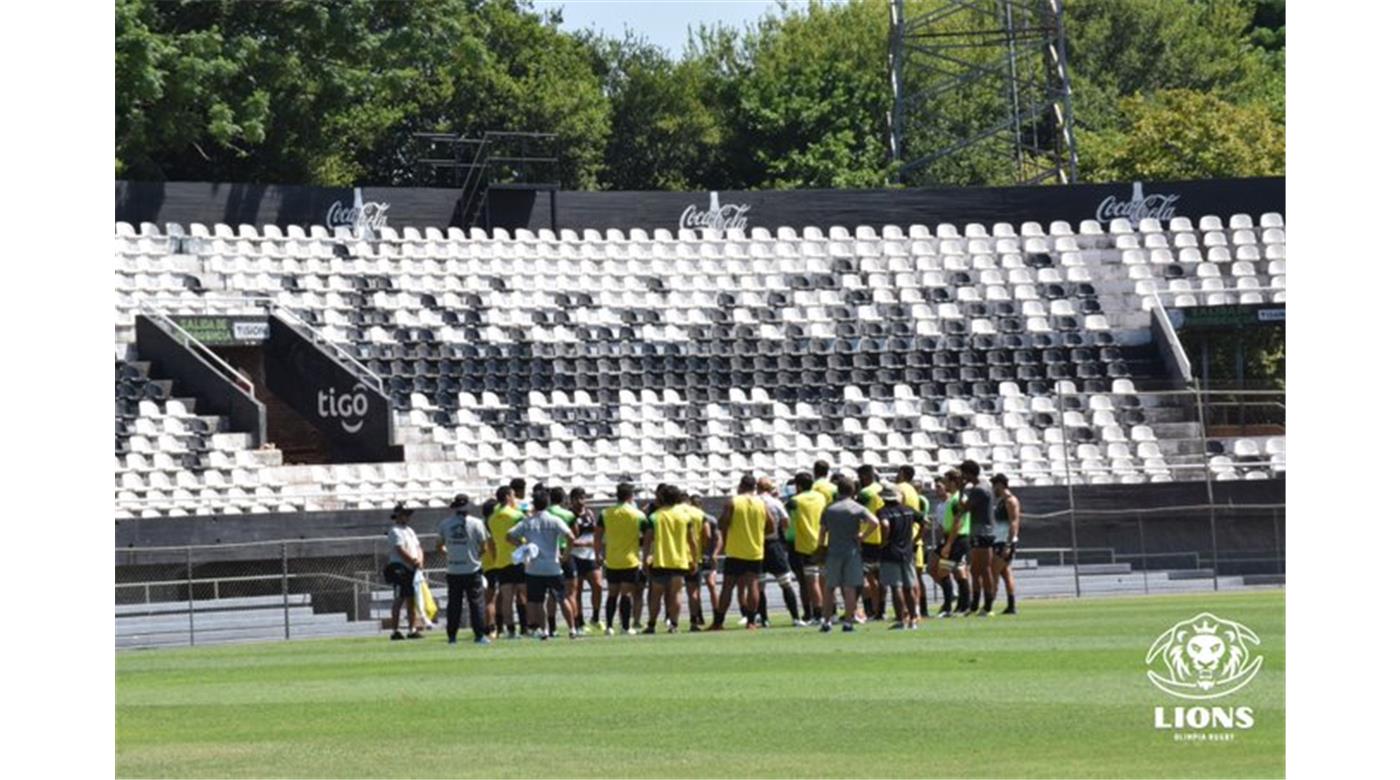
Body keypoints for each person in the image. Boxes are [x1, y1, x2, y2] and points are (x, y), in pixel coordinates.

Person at [507, 485, 579, 640]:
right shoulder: (554, 520)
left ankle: (544, 630)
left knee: (538, 602)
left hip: (534, 568)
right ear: (547, 503)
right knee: (562, 598)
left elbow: (509, 536)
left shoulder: (527, 522)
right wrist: (566, 555)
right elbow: (571, 537)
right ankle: (572, 629)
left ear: (534, 504)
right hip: (553, 566)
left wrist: (523, 546)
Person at [708, 474, 772, 630]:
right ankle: (751, 622)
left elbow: (722, 524)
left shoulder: (733, 502)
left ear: (741, 485)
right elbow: (771, 526)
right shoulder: (761, 503)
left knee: (728, 587)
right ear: (754, 487)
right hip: (755, 550)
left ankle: (718, 622)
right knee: (753, 586)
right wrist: (757, 532)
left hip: (736, 550)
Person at [818, 476, 880, 632]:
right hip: (852, 551)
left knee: (829, 587)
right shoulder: (857, 508)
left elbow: (822, 532)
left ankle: (826, 621)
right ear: (853, 491)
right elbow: (875, 522)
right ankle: (848, 622)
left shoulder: (829, 508)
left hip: (833, 550)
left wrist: (820, 548)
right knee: (850, 587)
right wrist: (863, 536)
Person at [641, 485, 700, 634]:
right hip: (679, 560)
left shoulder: (654, 517)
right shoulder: (685, 517)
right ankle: (674, 624)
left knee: (656, 594)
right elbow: (692, 541)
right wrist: (694, 559)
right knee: (676, 593)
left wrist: (644, 561)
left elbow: (647, 541)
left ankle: (651, 624)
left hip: (660, 559)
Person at [436, 494, 494, 645]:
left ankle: (452, 636)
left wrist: (450, 553)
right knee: (476, 603)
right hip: (472, 568)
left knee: (454, 604)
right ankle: (480, 635)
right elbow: (484, 546)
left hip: (454, 569)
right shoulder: (476, 523)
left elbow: (439, 546)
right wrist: (475, 555)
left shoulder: (445, 524)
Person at [597, 482, 646, 635]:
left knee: (612, 594)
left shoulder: (605, 513)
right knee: (626, 594)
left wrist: (598, 553)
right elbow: (648, 536)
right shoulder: (638, 515)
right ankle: (625, 627)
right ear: (631, 496)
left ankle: (609, 627)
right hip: (630, 560)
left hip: (612, 560)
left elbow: (597, 535)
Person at [756, 477, 802, 627]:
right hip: (774, 544)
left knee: (760, 585)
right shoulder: (775, 503)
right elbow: (786, 521)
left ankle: (764, 619)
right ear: (770, 489)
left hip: (758, 545)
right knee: (785, 583)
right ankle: (795, 617)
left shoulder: (754, 502)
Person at [876, 485, 921, 630]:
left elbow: (885, 524)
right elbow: (925, 522)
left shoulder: (883, 511)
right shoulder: (908, 509)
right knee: (909, 587)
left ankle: (901, 619)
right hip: (907, 552)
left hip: (890, 552)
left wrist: (884, 541)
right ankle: (913, 619)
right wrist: (915, 540)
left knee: (896, 587)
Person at [484, 485, 526, 639]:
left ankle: (510, 630)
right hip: (518, 558)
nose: (514, 498)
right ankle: (529, 626)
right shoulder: (516, 515)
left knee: (506, 599)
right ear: (508, 496)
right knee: (525, 594)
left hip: (501, 561)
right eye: (513, 495)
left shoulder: (492, 519)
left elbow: (492, 542)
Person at [786, 472, 827, 627]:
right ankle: (827, 611)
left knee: (812, 582)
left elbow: (786, 518)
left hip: (805, 544)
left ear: (798, 486)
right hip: (822, 541)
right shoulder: (820, 497)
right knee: (823, 580)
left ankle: (817, 614)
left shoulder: (794, 501)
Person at [959, 460, 997, 617]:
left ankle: (987, 606)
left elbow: (964, 508)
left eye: (963, 473)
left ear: (968, 473)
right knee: (975, 570)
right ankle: (975, 605)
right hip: (981, 531)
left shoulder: (978, 490)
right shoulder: (985, 486)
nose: (962, 476)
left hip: (983, 532)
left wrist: (961, 490)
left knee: (984, 569)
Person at [933, 472, 973, 617]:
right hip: (956, 539)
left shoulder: (957, 499)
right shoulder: (955, 499)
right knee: (957, 571)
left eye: (946, 481)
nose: (945, 484)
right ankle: (964, 606)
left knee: (944, 571)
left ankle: (949, 608)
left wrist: (948, 544)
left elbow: (958, 523)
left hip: (957, 539)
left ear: (952, 482)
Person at [383, 502, 425, 640]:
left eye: (408, 514)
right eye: (405, 514)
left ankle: (412, 629)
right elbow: (400, 550)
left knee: (411, 599)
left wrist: (419, 559)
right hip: (400, 568)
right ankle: (395, 630)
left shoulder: (409, 530)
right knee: (399, 598)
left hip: (412, 568)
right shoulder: (395, 530)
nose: (407, 517)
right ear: (398, 515)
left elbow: (418, 547)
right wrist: (413, 561)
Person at [893, 465, 929, 619]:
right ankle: (918, 610)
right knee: (915, 576)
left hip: (904, 538)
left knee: (903, 579)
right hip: (914, 536)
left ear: (901, 473)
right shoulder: (914, 491)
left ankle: (908, 612)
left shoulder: (899, 488)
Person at [683, 494, 722, 632]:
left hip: (702, 557)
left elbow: (716, 537)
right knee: (707, 587)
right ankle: (708, 617)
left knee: (697, 589)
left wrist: (712, 553)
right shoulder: (704, 517)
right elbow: (715, 537)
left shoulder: (708, 519)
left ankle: (709, 617)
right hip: (705, 556)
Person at [567, 488, 604, 631]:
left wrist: (597, 549)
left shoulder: (589, 513)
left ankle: (595, 617)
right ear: (572, 500)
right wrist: (581, 543)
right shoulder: (569, 515)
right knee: (577, 590)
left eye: (583, 497)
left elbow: (596, 533)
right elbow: (568, 538)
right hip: (575, 555)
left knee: (598, 585)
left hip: (590, 555)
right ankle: (579, 622)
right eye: (577, 498)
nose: (581, 501)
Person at [855, 464, 886, 621]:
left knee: (861, 577)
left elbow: (857, 513)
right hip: (882, 537)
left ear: (864, 476)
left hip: (867, 538)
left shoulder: (865, 493)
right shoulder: (882, 489)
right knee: (880, 578)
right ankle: (880, 610)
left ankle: (868, 610)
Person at [545, 486, 578, 636]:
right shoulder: (568, 514)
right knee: (570, 593)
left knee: (552, 594)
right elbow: (574, 534)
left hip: (549, 554)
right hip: (565, 552)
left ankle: (552, 628)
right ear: (564, 498)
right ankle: (575, 626)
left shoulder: (544, 514)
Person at [990, 474, 1022, 615]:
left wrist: (1008, 544)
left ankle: (988, 606)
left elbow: (1014, 522)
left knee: (993, 573)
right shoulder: (1002, 501)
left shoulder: (1010, 500)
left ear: (1001, 485)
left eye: (994, 486)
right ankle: (1011, 605)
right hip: (1000, 540)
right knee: (1005, 572)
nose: (993, 489)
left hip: (1004, 541)